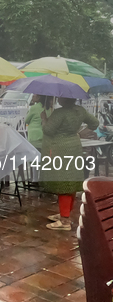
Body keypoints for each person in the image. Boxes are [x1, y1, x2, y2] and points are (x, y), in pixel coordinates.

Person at [40, 97, 98, 231]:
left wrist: (44, 118)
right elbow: (94, 123)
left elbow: (48, 130)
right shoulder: (80, 111)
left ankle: (65, 220)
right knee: (70, 180)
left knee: (63, 182)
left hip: (60, 149)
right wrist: (79, 133)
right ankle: (64, 213)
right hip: (75, 146)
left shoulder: (59, 113)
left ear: (63, 98)